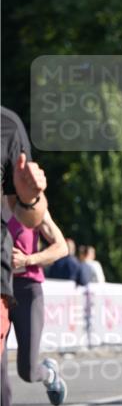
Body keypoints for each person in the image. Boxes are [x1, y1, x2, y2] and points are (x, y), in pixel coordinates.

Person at [1, 209, 69, 406]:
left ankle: (49, 374)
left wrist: (29, 259)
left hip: (28, 290)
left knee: (27, 371)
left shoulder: (31, 207)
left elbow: (62, 247)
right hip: (1, 289)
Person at [1, 106, 48, 356]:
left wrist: (29, 199)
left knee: (27, 369)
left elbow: (31, 218)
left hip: (24, 285)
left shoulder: (7, 126)